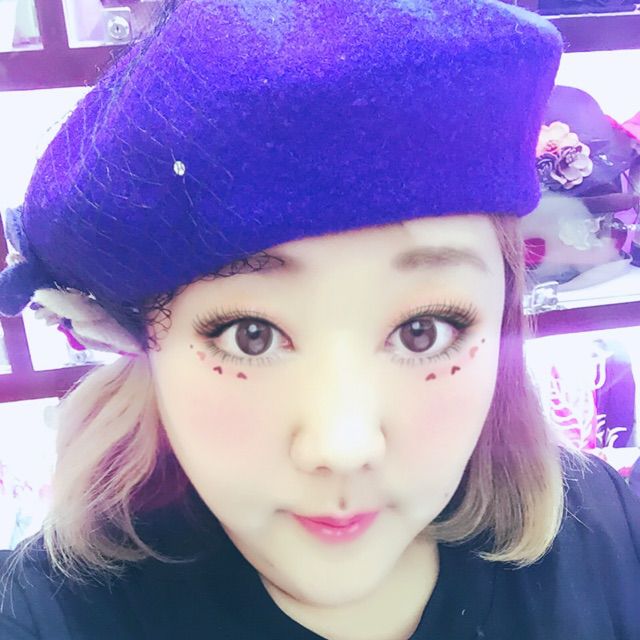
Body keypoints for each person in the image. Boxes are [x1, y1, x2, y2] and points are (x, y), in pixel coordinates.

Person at [0, 1, 639, 638]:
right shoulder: (46, 616)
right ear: (143, 342)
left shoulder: (605, 534)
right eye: (251, 335)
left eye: (423, 330)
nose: (343, 446)